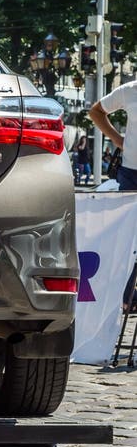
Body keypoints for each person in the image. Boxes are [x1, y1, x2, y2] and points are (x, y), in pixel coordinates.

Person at [89, 79, 137, 312]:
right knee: (128, 237)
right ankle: (124, 298)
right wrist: (118, 140)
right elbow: (96, 111)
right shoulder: (130, 90)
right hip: (131, 174)